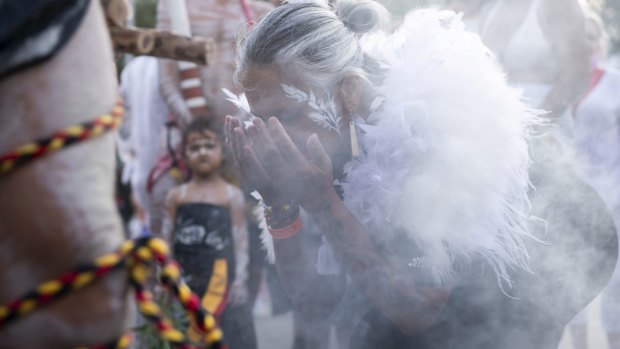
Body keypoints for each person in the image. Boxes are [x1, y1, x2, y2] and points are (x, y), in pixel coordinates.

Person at [225, 1, 618, 349]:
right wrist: (280, 204)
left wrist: (323, 203)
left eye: (286, 117)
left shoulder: (433, 130)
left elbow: (418, 309)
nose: (273, 139)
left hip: (553, 240)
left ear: (346, 92)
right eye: (261, 121)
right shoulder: (327, 133)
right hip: (427, 282)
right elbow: (316, 303)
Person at [164, 118, 256, 349]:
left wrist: (240, 282)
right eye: (194, 147)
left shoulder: (231, 195)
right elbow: (165, 241)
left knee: (228, 339)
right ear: (184, 155)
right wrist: (162, 279)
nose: (202, 152)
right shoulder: (177, 196)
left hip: (222, 282)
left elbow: (240, 240)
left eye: (209, 145)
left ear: (222, 152)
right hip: (185, 283)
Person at [568, 7, 620, 349]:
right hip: (569, 199)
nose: (584, 43)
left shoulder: (615, 82)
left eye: (590, 35)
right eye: (577, 35)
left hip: (614, 195)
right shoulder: (556, 80)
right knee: (570, 282)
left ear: (599, 39)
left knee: (616, 286)